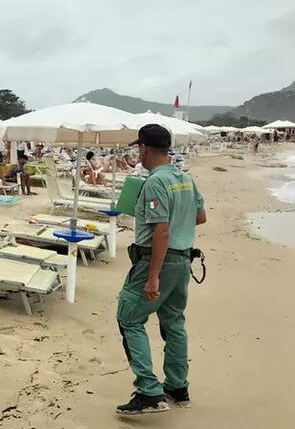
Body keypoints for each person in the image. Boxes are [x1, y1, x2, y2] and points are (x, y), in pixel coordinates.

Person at [115, 124, 206, 415]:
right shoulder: (186, 179)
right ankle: (178, 386)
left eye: (138, 148)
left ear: (144, 148)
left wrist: (153, 276)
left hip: (157, 261)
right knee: (174, 322)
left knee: (129, 318)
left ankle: (149, 390)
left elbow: (161, 231)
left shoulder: (155, 182)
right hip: (182, 261)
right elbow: (200, 217)